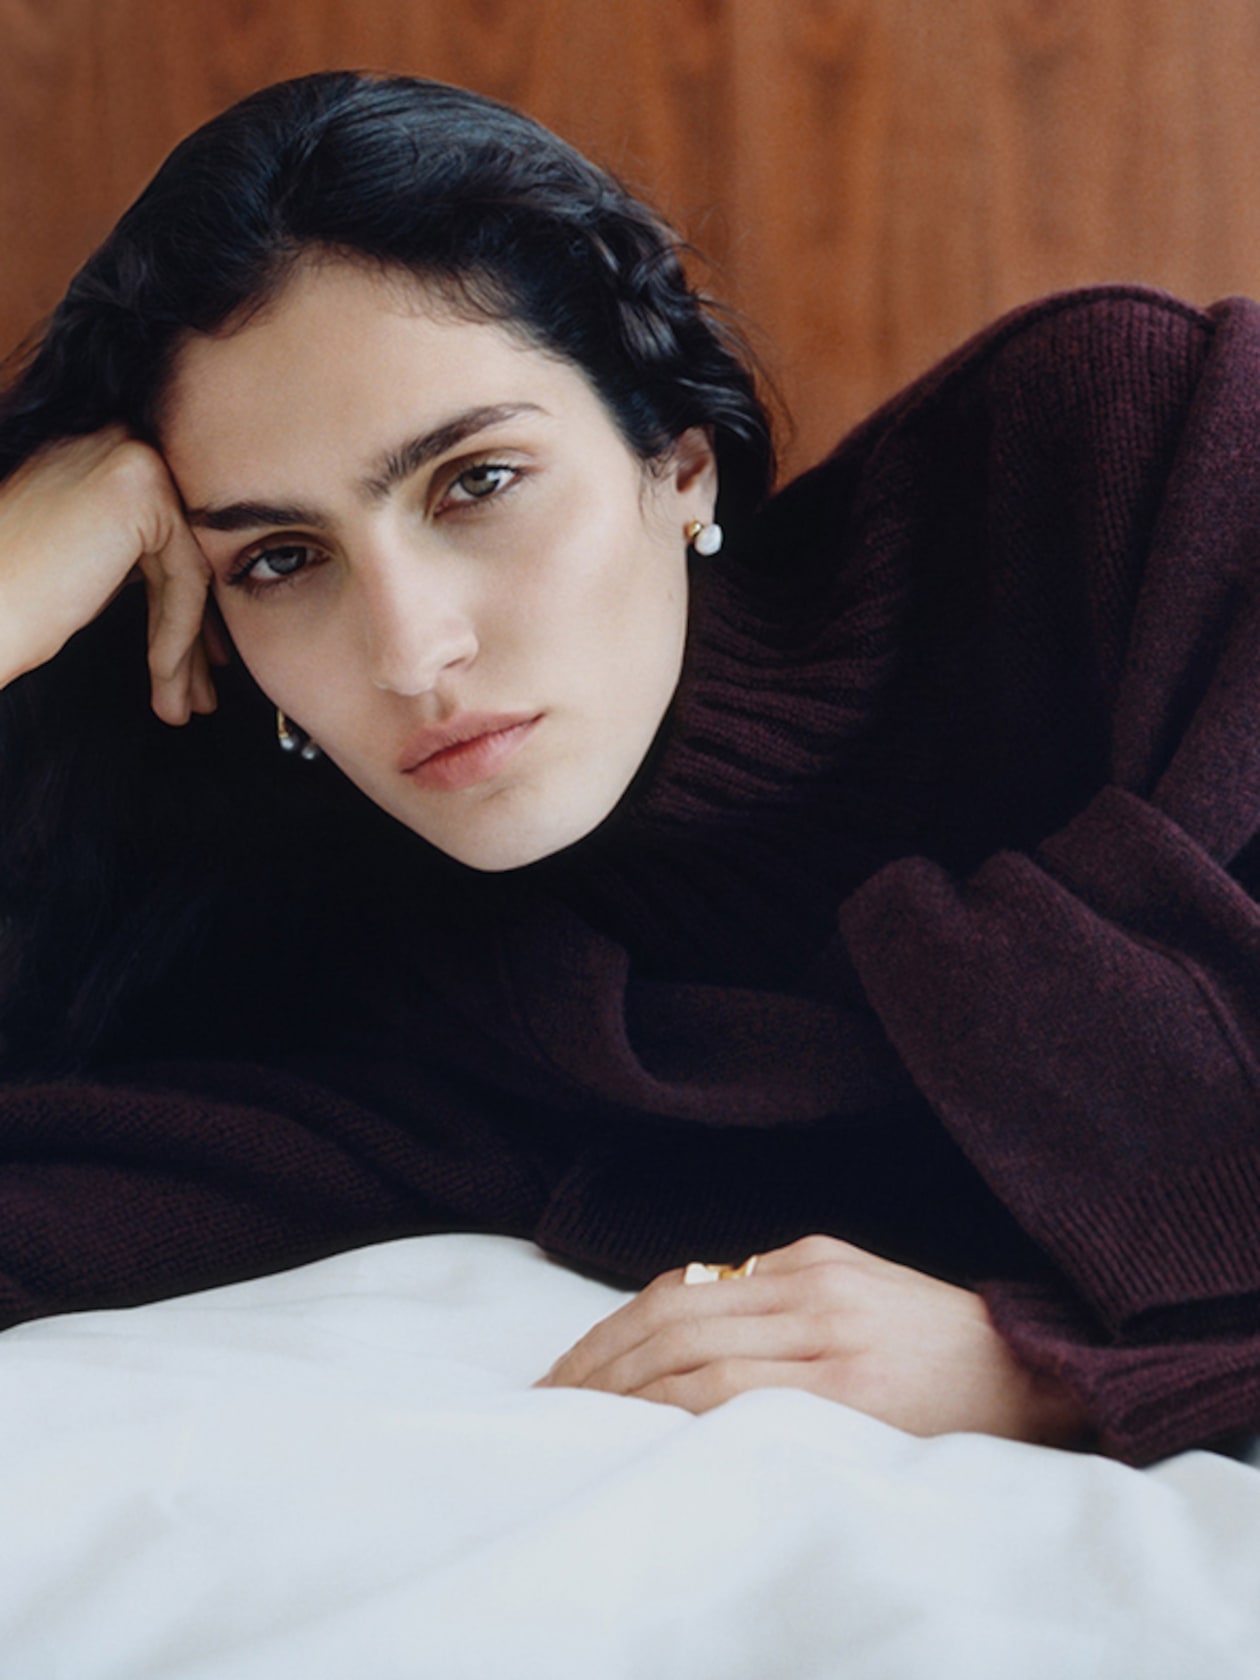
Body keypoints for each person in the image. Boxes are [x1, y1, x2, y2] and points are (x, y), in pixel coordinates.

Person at [2, 70, 1258, 1467]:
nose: (413, 652)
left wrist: (1042, 1372)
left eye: (476, 481)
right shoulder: (392, 1002)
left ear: (680, 463)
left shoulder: (1121, 466)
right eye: (282, 560)